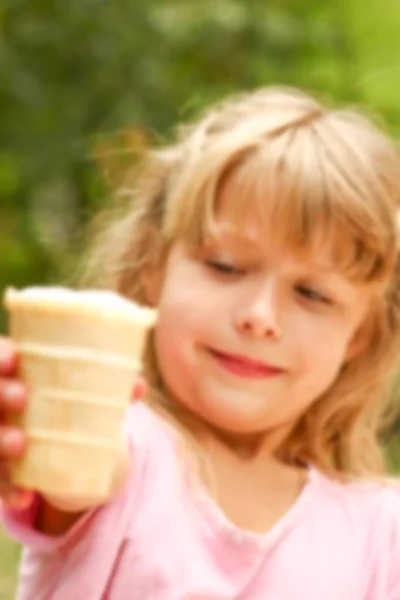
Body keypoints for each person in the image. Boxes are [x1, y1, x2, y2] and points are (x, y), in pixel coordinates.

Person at [1, 86, 400, 599]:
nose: (260, 318)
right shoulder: (127, 450)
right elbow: (75, 468)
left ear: (359, 337)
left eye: (312, 294)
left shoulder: (379, 534)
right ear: (154, 268)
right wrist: (33, 419)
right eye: (225, 267)